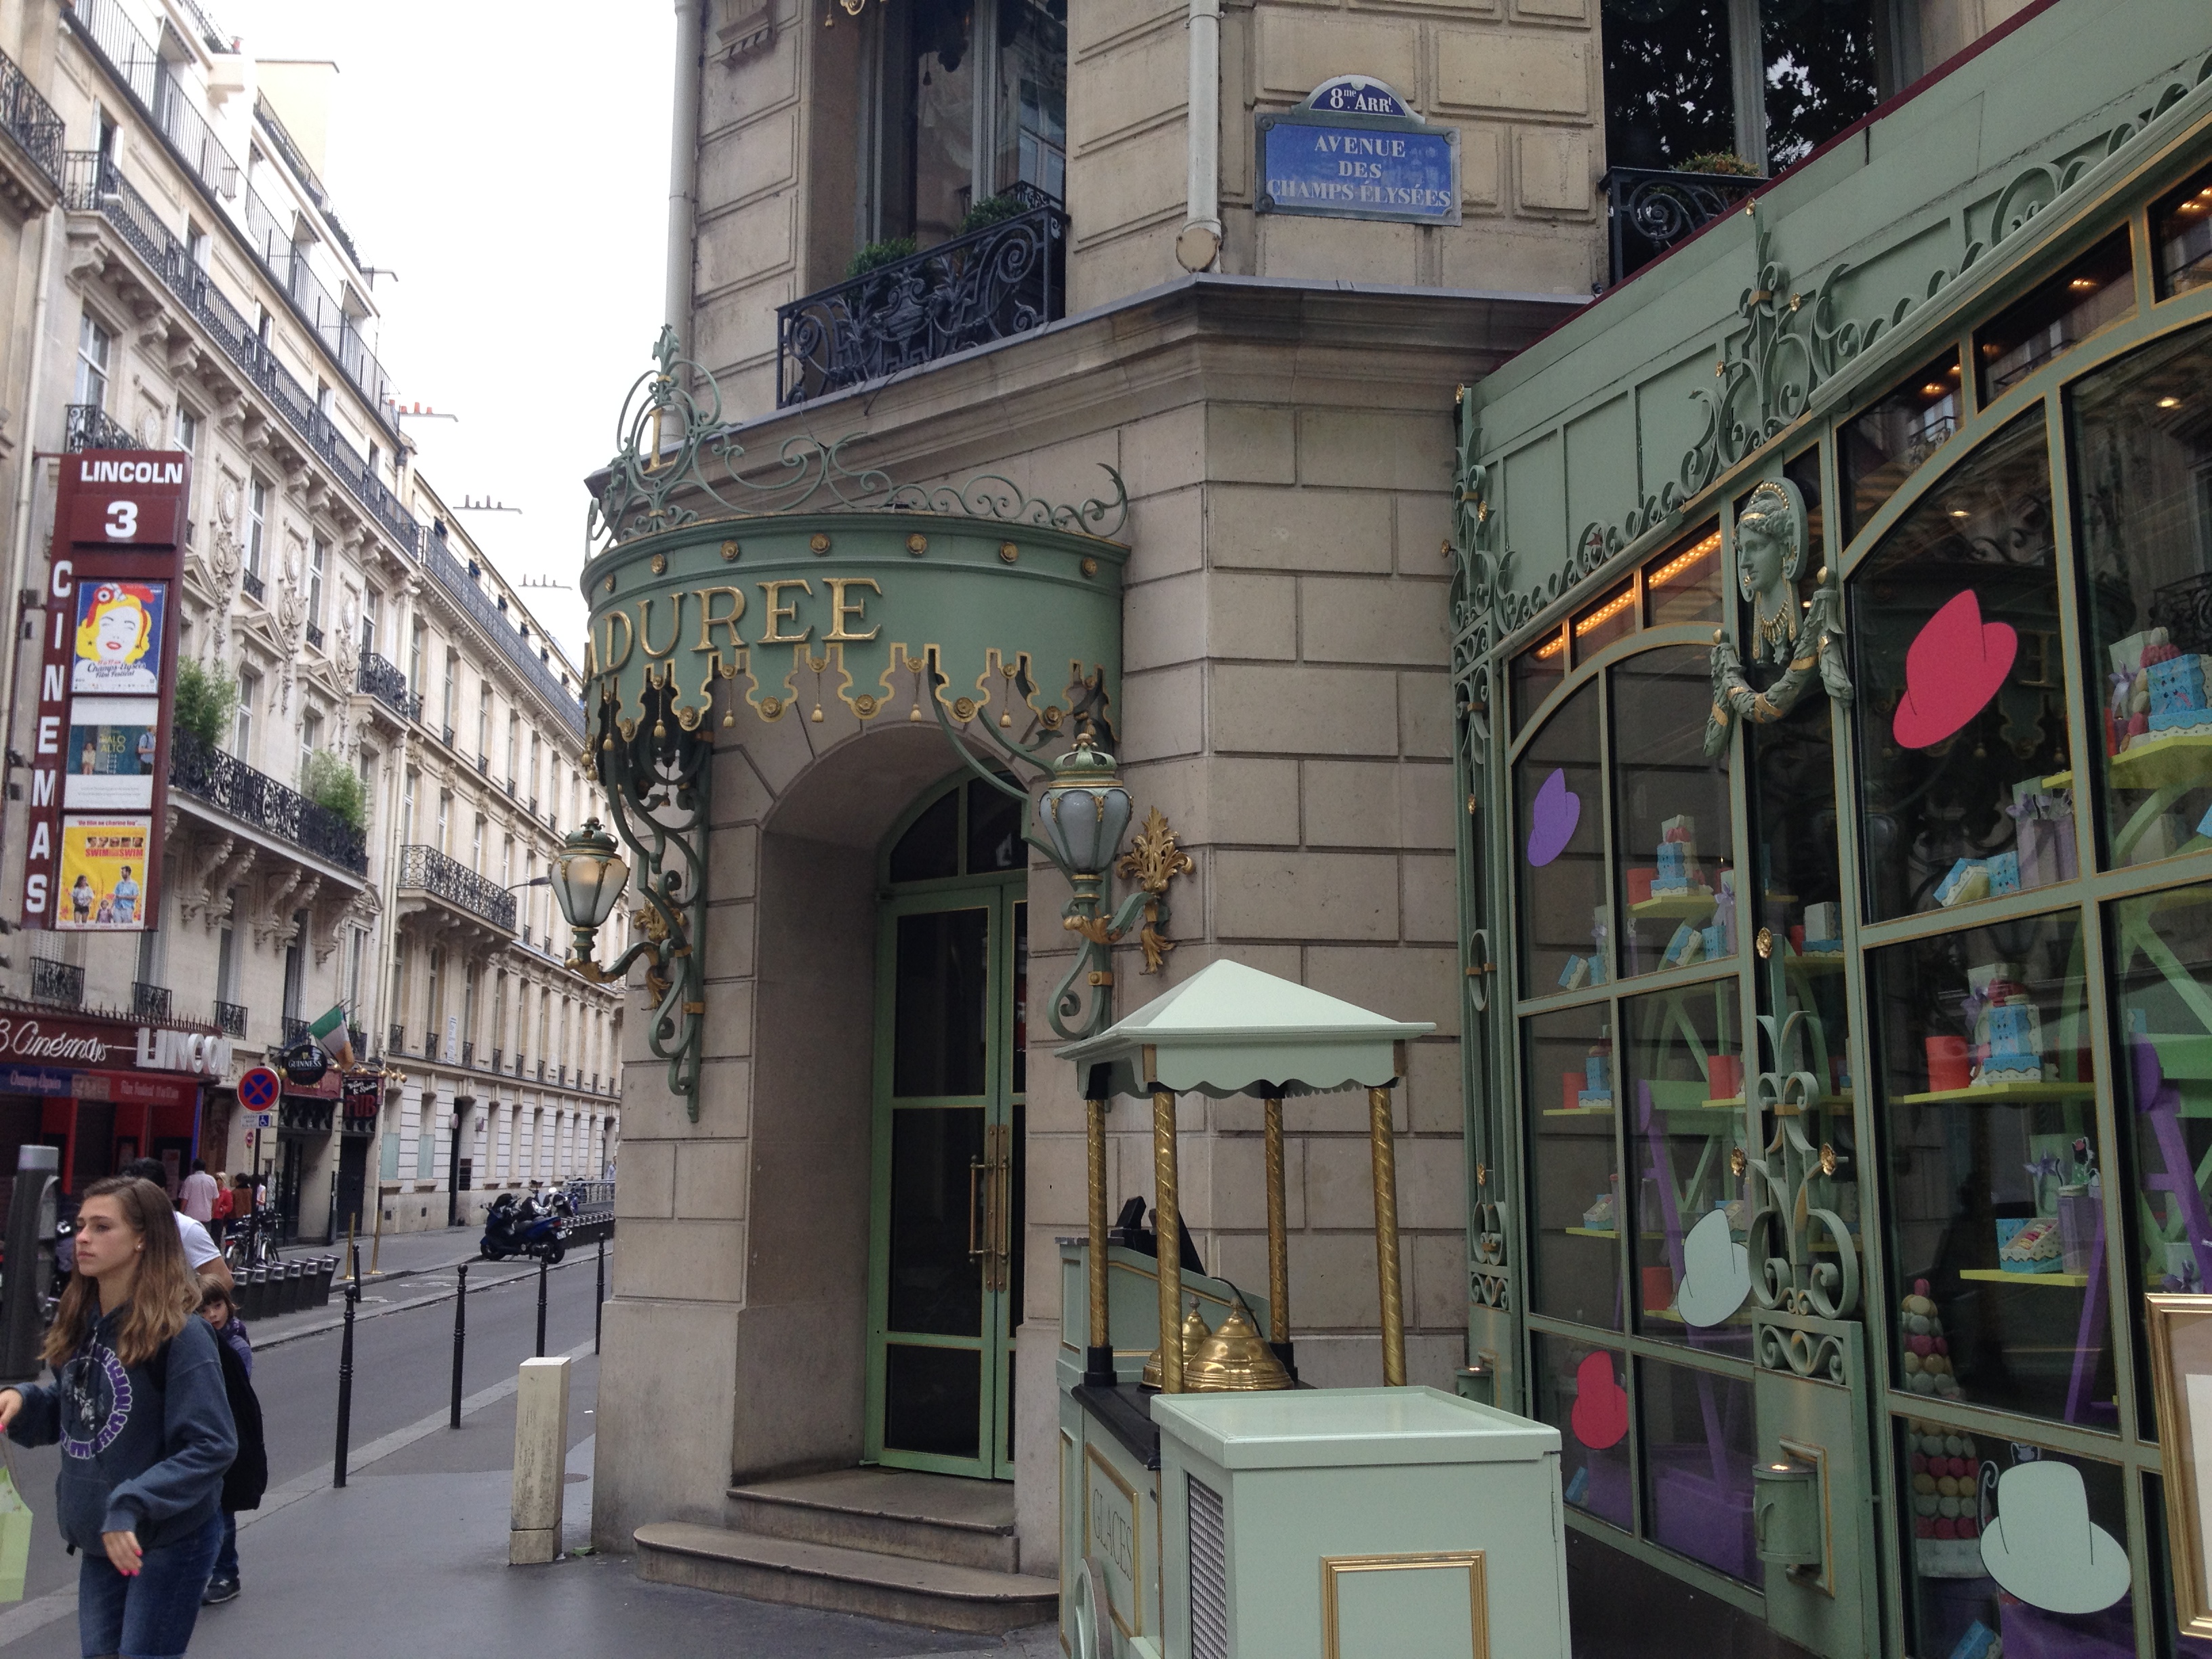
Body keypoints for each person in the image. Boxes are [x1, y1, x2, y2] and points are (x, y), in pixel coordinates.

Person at [0, 1176, 236, 1659]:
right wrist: (23, 1403)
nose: (82, 1238)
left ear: (143, 1239)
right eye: (81, 1226)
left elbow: (212, 1444)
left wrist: (132, 1502)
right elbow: (78, 1411)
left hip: (168, 1536)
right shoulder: (82, 1321)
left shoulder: (181, 1333)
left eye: (102, 1227)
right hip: (104, 1536)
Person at [194, 1284, 262, 1607]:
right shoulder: (193, 1343)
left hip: (225, 1435)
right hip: (201, 1435)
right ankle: (205, 1573)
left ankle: (226, 1574)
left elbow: (233, 1391)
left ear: (228, 1305)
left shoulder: (235, 1345)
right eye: (204, 1310)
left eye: (217, 1306)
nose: (212, 1315)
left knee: (223, 1509)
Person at [123, 1160, 232, 1292]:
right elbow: (214, 1200)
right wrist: (210, 1212)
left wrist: (184, 1301)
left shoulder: (184, 1228)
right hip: (206, 1217)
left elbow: (223, 1281)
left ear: (161, 1192)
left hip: (191, 1220)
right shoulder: (119, 1226)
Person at [176, 1162, 217, 1227]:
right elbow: (214, 1200)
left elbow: (185, 1199)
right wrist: (212, 1213)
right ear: (205, 1168)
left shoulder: (189, 1179)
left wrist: (181, 1213)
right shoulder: (211, 1180)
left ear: (193, 1168)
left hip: (191, 1217)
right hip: (206, 1217)